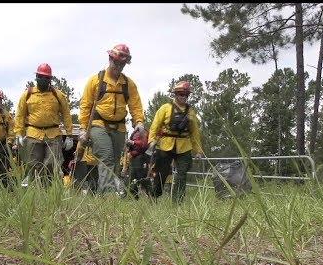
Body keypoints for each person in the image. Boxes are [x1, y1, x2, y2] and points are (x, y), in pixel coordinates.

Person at [78, 44, 145, 195]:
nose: (119, 67)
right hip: (98, 125)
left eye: (122, 64)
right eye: (116, 63)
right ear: (110, 59)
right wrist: (83, 129)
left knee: (114, 163)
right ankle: (108, 195)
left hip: (119, 128)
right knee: (106, 158)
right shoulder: (95, 81)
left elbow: (135, 105)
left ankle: (100, 194)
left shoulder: (129, 84)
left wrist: (139, 122)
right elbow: (85, 106)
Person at [12, 64, 73, 185]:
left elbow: (66, 114)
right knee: (34, 164)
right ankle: (35, 191)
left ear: (50, 79)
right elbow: (20, 115)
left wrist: (69, 135)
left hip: (53, 134)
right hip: (33, 134)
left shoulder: (58, 95)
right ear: (36, 77)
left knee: (52, 163)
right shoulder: (27, 94)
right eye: (40, 76)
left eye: (46, 78)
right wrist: (19, 134)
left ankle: (49, 189)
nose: (43, 80)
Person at [148, 81, 205, 203]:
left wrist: (198, 151)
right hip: (165, 145)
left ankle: (177, 202)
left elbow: (195, 133)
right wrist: (152, 140)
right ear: (175, 94)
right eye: (180, 94)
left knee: (182, 174)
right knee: (161, 173)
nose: (183, 96)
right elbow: (155, 126)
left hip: (184, 146)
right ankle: (154, 196)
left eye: (186, 94)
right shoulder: (165, 108)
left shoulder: (191, 112)